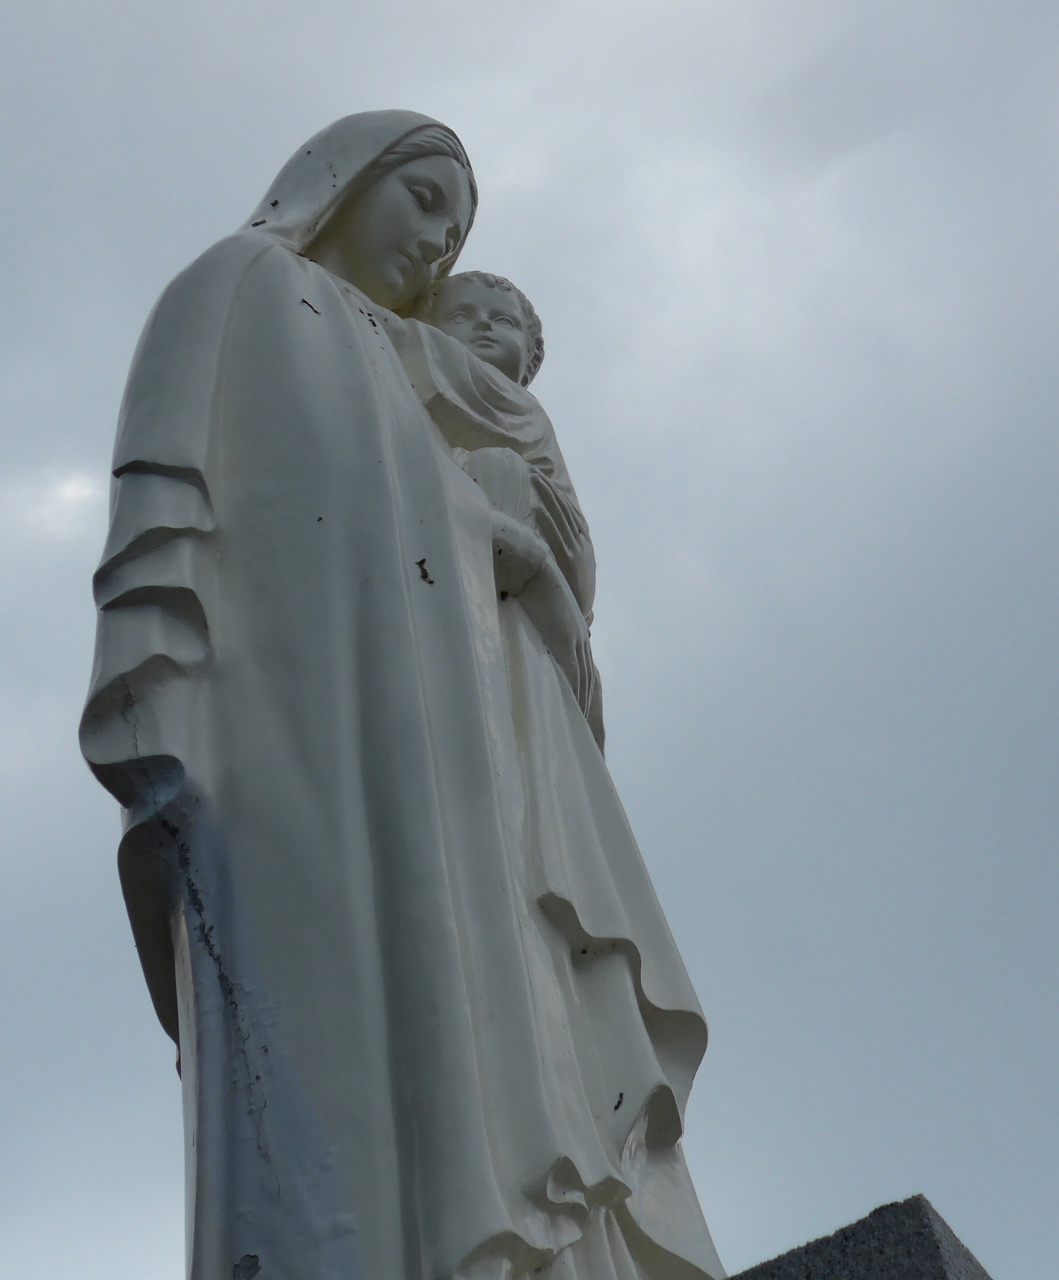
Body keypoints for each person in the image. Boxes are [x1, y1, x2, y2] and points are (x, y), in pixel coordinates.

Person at [80, 111, 726, 1280]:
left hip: (453, 752)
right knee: (332, 1044)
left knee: (497, 1006)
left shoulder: (411, 361)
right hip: (303, 731)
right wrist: (479, 514)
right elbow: (287, 504)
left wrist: (511, 551)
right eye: (423, 199)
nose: (437, 242)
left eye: (457, 229)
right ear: (343, 180)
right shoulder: (250, 288)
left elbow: (514, 566)